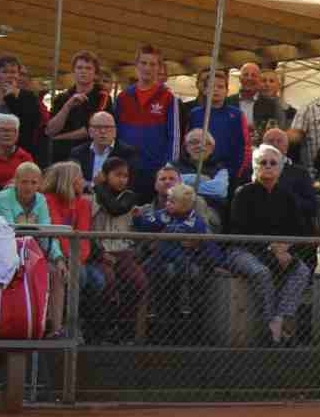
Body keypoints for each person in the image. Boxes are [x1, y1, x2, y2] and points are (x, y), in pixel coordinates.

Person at [226, 145, 313, 344]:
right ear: (255, 166)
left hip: (278, 251)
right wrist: (272, 247)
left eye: (273, 163)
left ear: (280, 168)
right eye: (262, 162)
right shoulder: (243, 193)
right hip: (243, 250)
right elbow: (240, 229)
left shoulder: (287, 196)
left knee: (301, 271)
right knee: (261, 272)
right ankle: (270, 325)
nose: (267, 166)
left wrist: (286, 247)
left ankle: (280, 319)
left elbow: (299, 230)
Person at [136, 181, 214, 344]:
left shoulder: (196, 221)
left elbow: (205, 244)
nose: (167, 204)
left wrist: (215, 261)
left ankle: (186, 330)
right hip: (160, 262)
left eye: (172, 201)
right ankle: (158, 327)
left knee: (185, 279)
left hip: (185, 263)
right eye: (167, 200)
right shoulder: (163, 214)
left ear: (184, 206)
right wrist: (137, 218)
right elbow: (146, 224)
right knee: (154, 268)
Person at [89, 155, 148, 339]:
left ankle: (124, 325)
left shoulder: (129, 196)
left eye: (125, 176)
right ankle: (100, 327)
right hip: (99, 251)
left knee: (138, 282)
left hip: (122, 251)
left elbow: (115, 208)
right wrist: (98, 188)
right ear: (106, 175)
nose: (122, 179)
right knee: (107, 280)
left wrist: (99, 186)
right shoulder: (92, 197)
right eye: (117, 175)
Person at [112, 44, 180, 197]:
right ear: (136, 65)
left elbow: (174, 136)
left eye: (152, 64)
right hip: (126, 169)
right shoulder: (123, 97)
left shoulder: (168, 98)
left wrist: (170, 166)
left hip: (155, 169)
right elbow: (114, 132)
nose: (147, 68)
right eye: (143, 63)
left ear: (159, 68)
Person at [42, 160, 98, 333]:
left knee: (97, 279)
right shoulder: (48, 200)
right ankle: (61, 325)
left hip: (76, 257)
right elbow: (58, 233)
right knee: (75, 275)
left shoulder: (83, 203)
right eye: (79, 177)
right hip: (54, 254)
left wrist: (77, 260)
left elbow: (83, 236)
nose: (83, 181)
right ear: (68, 180)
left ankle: (78, 324)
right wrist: (69, 259)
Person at [184, 70, 248, 184]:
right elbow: (186, 143)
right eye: (211, 86)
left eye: (220, 87)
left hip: (227, 173)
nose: (216, 90)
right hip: (199, 171)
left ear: (227, 91)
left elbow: (243, 146)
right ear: (204, 90)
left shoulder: (236, 115)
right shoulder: (195, 114)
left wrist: (236, 172)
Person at [0, 55, 48, 163]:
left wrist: (11, 99)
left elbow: (28, 128)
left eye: (13, 72)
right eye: (5, 72)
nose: (9, 76)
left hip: (18, 154)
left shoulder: (29, 97)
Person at [0, 160, 60, 266]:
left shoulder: (41, 199)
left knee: (57, 267)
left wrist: (58, 258)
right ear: (16, 181)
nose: (29, 187)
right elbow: (9, 233)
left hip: (31, 253)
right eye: (24, 182)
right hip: (3, 254)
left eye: (34, 182)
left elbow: (45, 234)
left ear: (39, 184)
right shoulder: (3, 198)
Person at [45, 52, 109, 162]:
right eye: (79, 68)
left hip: (89, 156)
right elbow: (50, 130)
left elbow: (92, 130)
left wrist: (60, 137)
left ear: (95, 74)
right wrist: (67, 106)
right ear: (73, 71)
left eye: (88, 68)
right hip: (61, 157)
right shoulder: (62, 98)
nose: (83, 71)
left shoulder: (102, 97)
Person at [169, 127, 232, 226]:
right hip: (176, 209)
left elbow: (219, 190)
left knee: (198, 203)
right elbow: (168, 185)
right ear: (186, 147)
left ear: (211, 149)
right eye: (194, 142)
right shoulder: (173, 166)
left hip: (209, 213)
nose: (199, 146)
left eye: (205, 143)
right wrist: (199, 178)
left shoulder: (220, 168)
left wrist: (183, 183)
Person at [0, 113, 38, 194]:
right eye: (2, 130)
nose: (7, 134)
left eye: (12, 130)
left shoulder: (25, 157)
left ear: (17, 134)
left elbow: (33, 183)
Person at [71, 111, 137, 187]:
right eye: (98, 127)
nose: (103, 131)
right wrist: (92, 185)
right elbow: (71, 182)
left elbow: (130, 184)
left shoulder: (128, 153)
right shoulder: (77, 152)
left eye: (108, 127)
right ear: (90, 132)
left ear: (115, 132)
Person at [234, 62, 285, 138]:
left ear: (258, 80)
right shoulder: (227, 102)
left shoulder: (271, 105)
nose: (249, 78)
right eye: (246, 74)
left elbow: (275, 133)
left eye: (253, 75)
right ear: (240, 78)